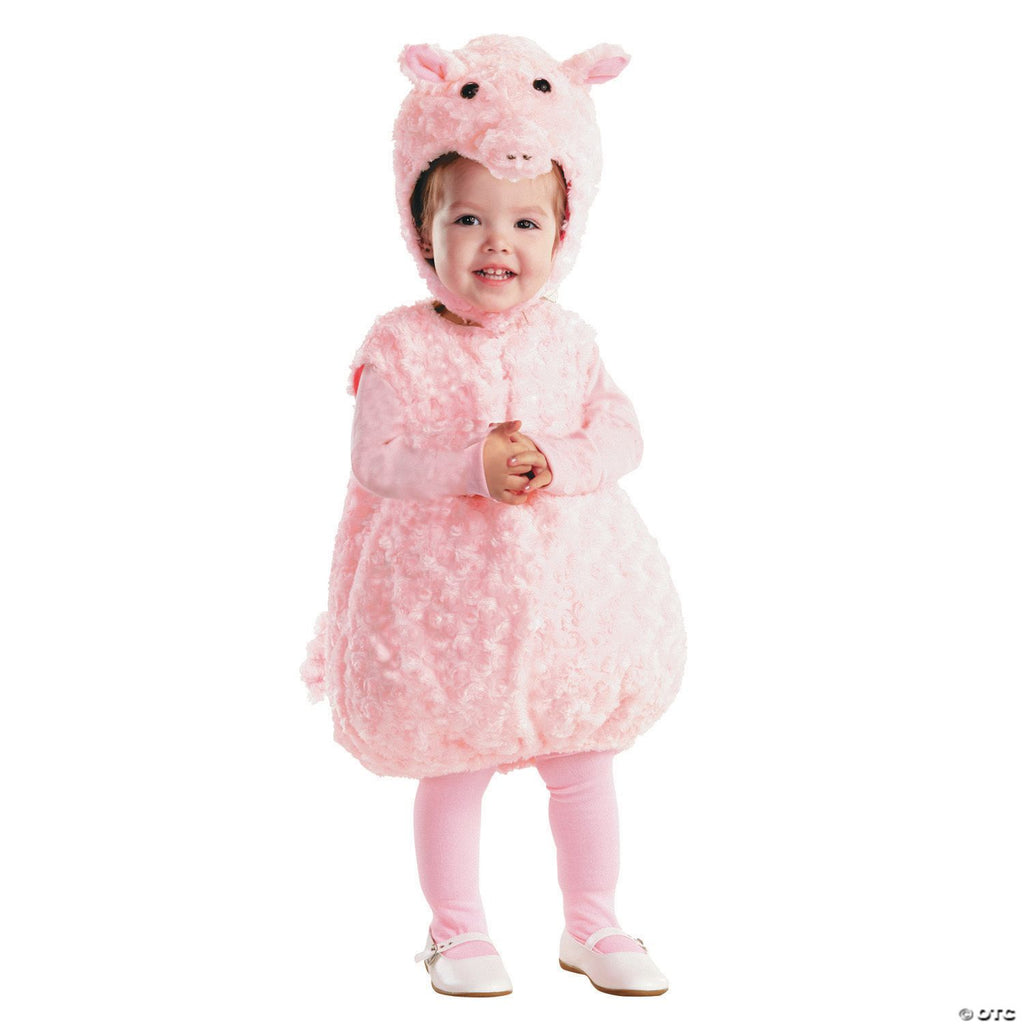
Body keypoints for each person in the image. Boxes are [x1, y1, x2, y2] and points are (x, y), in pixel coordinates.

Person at [301, 35, 687, 998]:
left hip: (566, 607)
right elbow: (378, 464)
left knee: (584, 761)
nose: (496, 243)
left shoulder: (569, 341)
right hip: (446, 612)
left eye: (524, 221)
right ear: (420, 229)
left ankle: (594, 923)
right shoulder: (399, 345)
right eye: (467, 218)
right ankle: (458, 934)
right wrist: (470, 466)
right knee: (454, 765)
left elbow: (623, 432)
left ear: (564, 231)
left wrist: (560, 460)